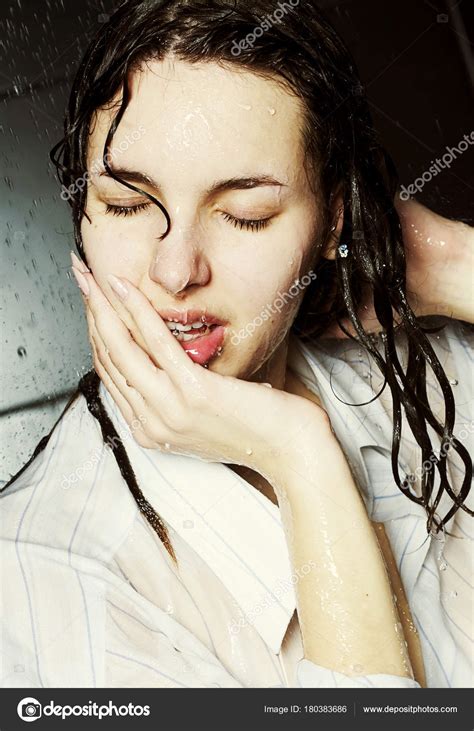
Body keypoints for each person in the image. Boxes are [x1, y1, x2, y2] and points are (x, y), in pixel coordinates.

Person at [1, 0, 472, 689]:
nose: (176, 270)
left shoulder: (426, 371)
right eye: (127, 205)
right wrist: (300, 456)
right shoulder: (37, 583)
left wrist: (453, 266)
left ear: (331, 218)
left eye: (245, 215)